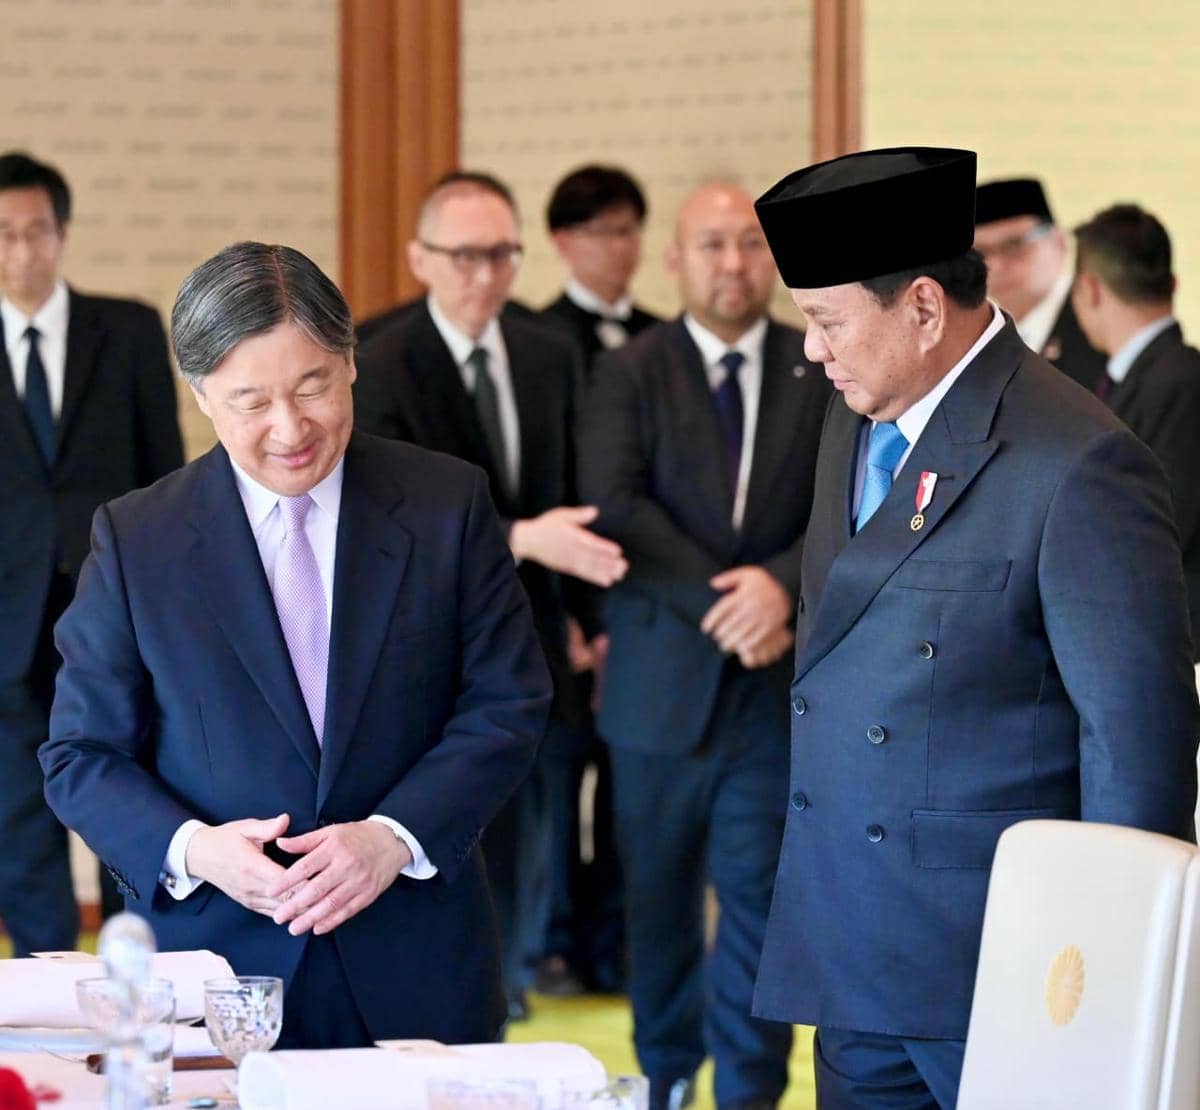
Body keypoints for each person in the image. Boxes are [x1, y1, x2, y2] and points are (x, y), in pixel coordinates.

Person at [751, 146, 1198, 1109]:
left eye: (827, 321)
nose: (813, 352)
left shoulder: (1077, 461)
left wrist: (1112, 972)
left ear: (922, 307)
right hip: (854, 944)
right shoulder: (855, 413)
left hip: (1001, 963)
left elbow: (1136, 745)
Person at [40, 241, 552, 1048]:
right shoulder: (139, 539)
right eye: (251, 401)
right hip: (213, 972)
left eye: (313, 386)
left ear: (349, 362)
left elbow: (506, 702)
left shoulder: (445, 504)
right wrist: (198, 851)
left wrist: (392, 838)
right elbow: (80, 755)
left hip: (416, 955)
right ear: (201, 394)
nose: (290, 429)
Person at [577, 182, 830, 1110]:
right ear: (675, 260)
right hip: (659, 691)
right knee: (659, 909)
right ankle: (667, 1081)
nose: (735, 264)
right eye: (714, 244)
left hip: (773, 692)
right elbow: (615, 504)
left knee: (762, 906)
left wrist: (781, 587)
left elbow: (848, 502)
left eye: (752, 245)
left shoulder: (820, 361)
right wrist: (731, 601)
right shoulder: (631, 369)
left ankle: (751, 1091)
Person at [353, 171, 627, 1021]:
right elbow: (385, 516)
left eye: (502, 254)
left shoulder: (548, 352)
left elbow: (575, 498)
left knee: (541, 818)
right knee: (445, 825)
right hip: (421, 640)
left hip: (535, 633)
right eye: (465, 256)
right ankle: (460, 991)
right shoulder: (378, 356)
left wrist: (592, 626)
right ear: (421, 258)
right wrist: (519, 537)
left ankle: (512, 975)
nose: (485, 275)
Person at [0, 150, 183, 955]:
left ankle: (134, 966)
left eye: (36, 231)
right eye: (4, 234)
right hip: (6, 616)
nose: (22, 251)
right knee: (17, 810)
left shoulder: (129, 330)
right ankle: (44, 977)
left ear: (63, 233)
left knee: (127, 788)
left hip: (112, 603)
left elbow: (165, 473)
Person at [537, 165, 661, 997]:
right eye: (601, 232)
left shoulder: (663, 338)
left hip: (640, 601)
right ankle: (548, 944)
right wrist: (572, 616)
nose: (620, 248)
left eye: (629, 230)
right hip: (556, 603)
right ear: (563, 242)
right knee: (552, 786)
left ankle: (614, 945)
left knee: (627, 792)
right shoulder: (537, 339)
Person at [1071, 203, 1200, 657]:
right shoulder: (1160, 375)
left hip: (1170, 639)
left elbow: (1164, 523)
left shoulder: (1181, 380)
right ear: (1172, 284)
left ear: (1089, 289)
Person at [974, 176, 1106, 390]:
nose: (996, 265)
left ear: (1059, 243)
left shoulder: (1099, 323)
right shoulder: (978, 339)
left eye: (1013, 245)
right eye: (981, 252)